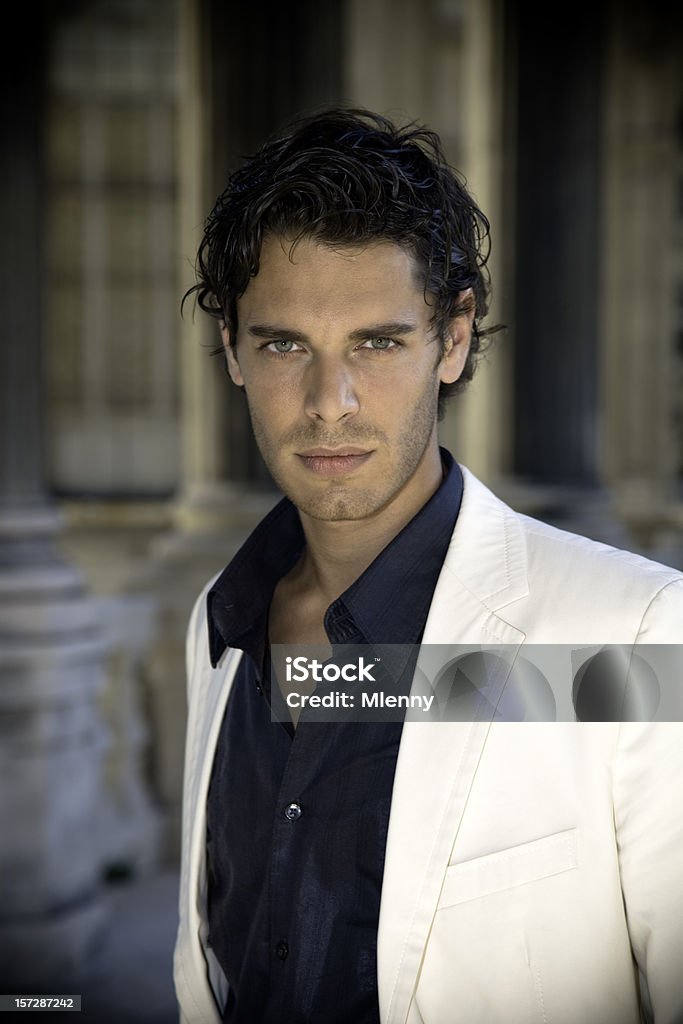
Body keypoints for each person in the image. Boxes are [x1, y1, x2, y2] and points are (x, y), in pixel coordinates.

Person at [173, 109, 683, 1024]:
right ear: (233, 353)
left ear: (452, 339)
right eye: (285, 345)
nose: (329, 405)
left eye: (378, 342)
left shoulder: (634, 629)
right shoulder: (224, 621)